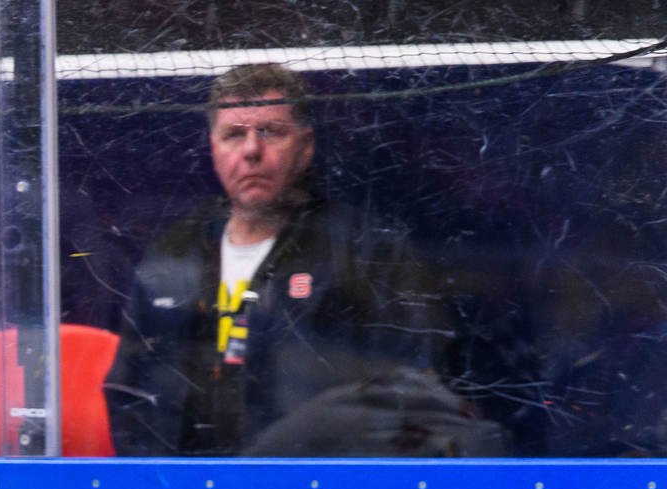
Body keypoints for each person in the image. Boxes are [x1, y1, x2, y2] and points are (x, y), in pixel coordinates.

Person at [105, 62, 462, 456]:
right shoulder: (176, 253)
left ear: (306, 147)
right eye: (233, 135)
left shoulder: (367, 252)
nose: (251, 150)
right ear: (213, 149)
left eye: (271, 132)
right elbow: (130, 393)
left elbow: (418, 389)